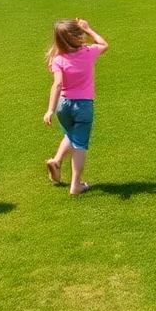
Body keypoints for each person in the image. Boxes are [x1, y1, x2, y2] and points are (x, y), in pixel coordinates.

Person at [43, 18, 108, 196]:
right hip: (83, 105)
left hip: (63, 106)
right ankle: (76, 185)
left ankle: (56, 161)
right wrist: (88, 29)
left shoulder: (57, 60)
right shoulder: (89, 52)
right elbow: (104, 44)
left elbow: (57, 84)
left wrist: (50, 110)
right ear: (78, 35)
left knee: (71, 134)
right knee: (80, 143)